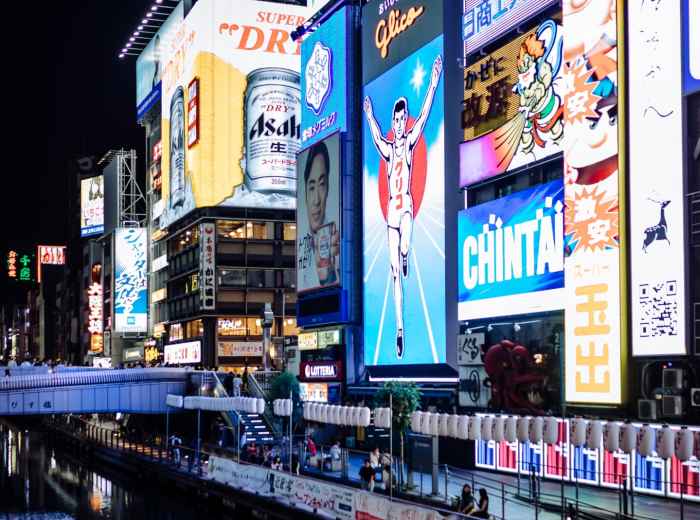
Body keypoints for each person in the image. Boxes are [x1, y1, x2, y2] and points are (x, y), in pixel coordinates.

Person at [363, 53, 443, 359]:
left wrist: (434, 81)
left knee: (405, 248)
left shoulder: (408, 143)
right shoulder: (387, 147)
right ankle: (398, 330)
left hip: (406, 208)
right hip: (391, 218)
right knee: (395, 272)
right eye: (395, 120)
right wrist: (370, 115)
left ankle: (407, 254)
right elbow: (373, 135)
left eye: (400, 118)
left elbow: (424, 115)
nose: (398, 123)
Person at [298, 140, 340, 290]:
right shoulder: (301, 242)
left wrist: (332, 273)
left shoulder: (336, 241)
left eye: (322, 185)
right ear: (304, 191)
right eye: (311, 187)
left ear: (328, 187)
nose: (316, 200)